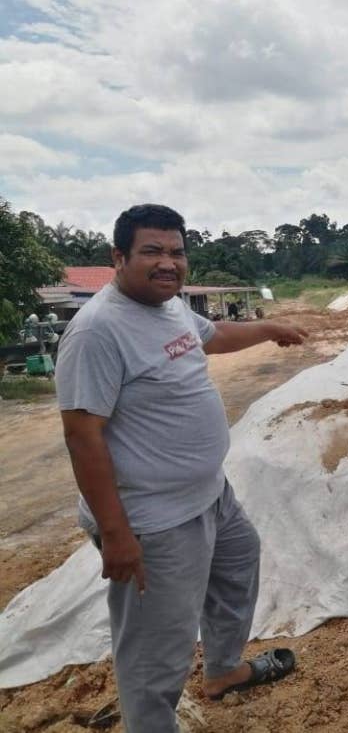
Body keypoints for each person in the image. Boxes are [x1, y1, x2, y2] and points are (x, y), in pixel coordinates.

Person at [55, 204, 308, 732]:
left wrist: (270, 329)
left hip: (210, 495)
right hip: (153, 519)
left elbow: (210, 336)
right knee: (157, 648)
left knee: (239, 563)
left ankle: (222, 670)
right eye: (152, 251)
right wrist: (117, 533)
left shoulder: (170, 308)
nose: (168, 262)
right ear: (119, 257)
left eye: (176, 251)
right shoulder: (98, 330)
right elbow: (82, 437)